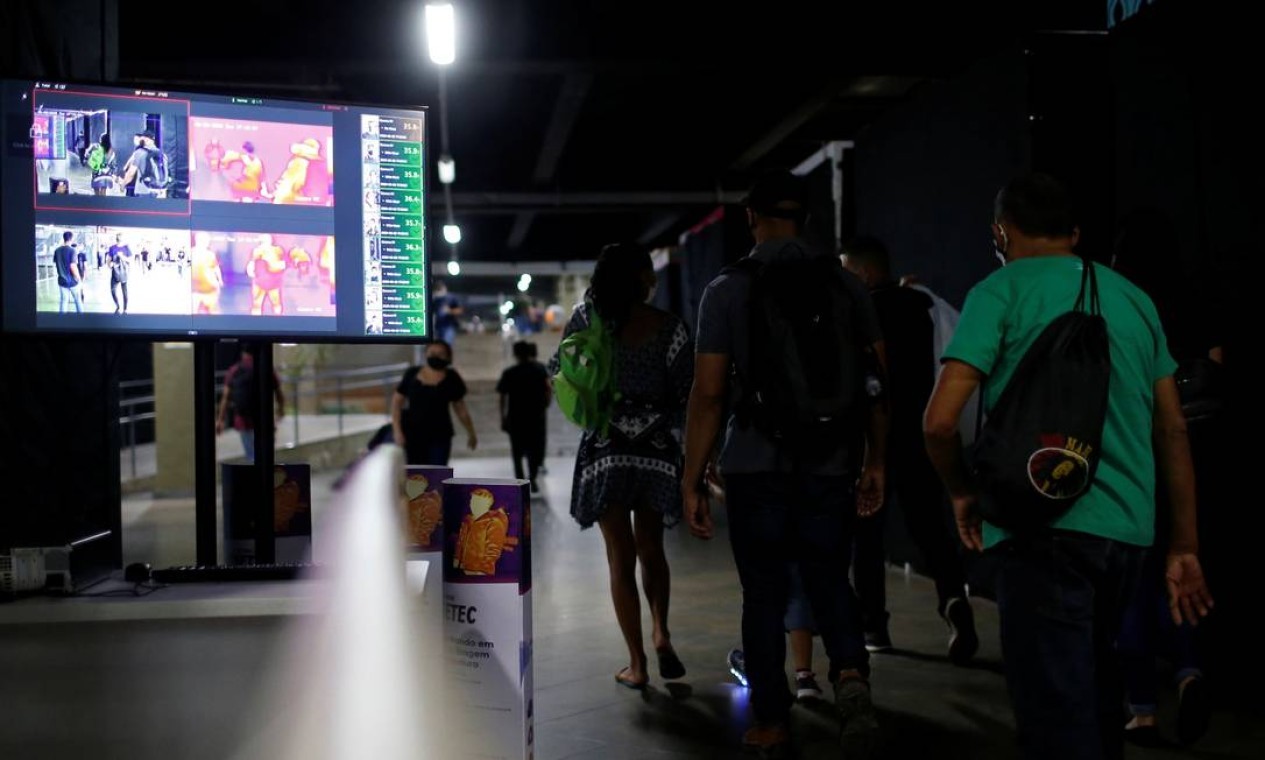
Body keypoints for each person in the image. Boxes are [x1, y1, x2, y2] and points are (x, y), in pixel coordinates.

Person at [923, 174, 1214, 760]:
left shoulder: (999, 291)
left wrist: (961, 492)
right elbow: (1173, 427)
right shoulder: (1133, 298)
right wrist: (1184, 545)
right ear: (1075, 234)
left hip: (1038, 530)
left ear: (1000, 232)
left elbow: (939, 421)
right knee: (1100, 687)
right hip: (1128, 534)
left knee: (1054, 708)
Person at [682, 170, 887, 755]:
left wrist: (692, 475)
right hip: (832, 460)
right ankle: (849, 674)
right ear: (807, 218)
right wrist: (877, 459)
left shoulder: (726, 288)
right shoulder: (847, 285)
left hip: (755, 462)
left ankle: (770, 719)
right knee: (829, 575)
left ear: (751, 217)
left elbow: (710, 392)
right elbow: (877, 382)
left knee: (764, 593)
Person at [548, 243, 693, 691]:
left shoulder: (588, 323)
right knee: (652, 547)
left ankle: (637, 663)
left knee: (619, 557)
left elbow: (559, 367)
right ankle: (661, 631)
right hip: (656, 448)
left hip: (606, 447)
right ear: (642, 279)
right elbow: (687, 389)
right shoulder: (669, 328)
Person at [1111, 208, 1222, 747]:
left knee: (1134, 577)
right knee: (1181, 568)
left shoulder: (1120, 301)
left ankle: (1142, 708)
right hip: (1194, 452)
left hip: (1134, 450)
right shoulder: (1194, 298)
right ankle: (1189, 668)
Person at [842, 236, 978, 660]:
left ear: (863, 273)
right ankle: (954, 599)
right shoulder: (920, 305)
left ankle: (874, 628)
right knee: (931, 530)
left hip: (874, 444)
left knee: (866, 536)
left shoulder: (857, 314)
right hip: (922, 436)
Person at [392, 340, 478, 466]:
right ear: (425, 354)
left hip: (440, 435)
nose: (436, 356)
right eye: (432, 353)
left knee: (437, 473)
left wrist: (471, 433)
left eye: (441, 353)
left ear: (448, 356)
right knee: (415, 475)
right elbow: (396, 403)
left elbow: (460, 409)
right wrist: (397, 430)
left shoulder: (452, 377)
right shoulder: (412, 374)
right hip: (412, 434)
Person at [216, 345, 285, 462]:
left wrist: (220, 420)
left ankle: (254, 475)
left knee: (251, 457)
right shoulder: (267, 367)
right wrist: (281, 410)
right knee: (266, 457)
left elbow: (226, 398)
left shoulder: (235, 370)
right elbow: (278, 392)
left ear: (243, 353)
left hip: (243, 421)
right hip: (264, 421)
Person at [497, 341, 551, 490]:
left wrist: (502, 417)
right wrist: (546, 404)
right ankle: (532, 478)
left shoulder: (509, 373)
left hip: (516, 417)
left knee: (517, 451)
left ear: (515, 354)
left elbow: (502, 397)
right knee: (534, 449)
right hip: (536, 417)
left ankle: (520, 480)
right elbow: (548, 388)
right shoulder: (539, 369)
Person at [248, 234, 287, 315]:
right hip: (261, 281)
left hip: (272, 281)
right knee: (257, 304)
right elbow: (251, 265)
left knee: (275, 303)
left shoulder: (278, 250)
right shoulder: (257, 250)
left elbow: (283, 264)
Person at [191, 232, 225, 314]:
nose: (207, 243)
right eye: (205, 240)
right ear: (197, 240)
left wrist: (219, 281)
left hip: (209, 290)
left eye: (207, 241)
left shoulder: (210, 255)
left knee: (213, 311)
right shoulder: (190, 253)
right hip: (195, 291)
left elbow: (216, 268)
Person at [118, 130, 159, 197]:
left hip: (143, 190)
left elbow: (131, 173)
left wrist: (123, 185)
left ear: (145, 139)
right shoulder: (161, 153)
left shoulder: (140, 152)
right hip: (158, 190)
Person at [54, 231, 82, 314]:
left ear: (64, 238)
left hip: (62, 281)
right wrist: (79, 278)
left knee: (63, 301)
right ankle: (82, 320)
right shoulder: (73, 250)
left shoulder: (57, 250)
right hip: (72, 281)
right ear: (72, 239)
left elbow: (57, 264)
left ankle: (61, 322)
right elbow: (72, 266)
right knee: (78, 300)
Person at [106, 233, 132, 314]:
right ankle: (117, 305)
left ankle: (125, 308)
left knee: (125, 292)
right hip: (115, 273)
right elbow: (109, 260)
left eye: (121, 237)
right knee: (113, 291)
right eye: (118, 237)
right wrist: (110, 265)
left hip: (124, 272)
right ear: (116, 238)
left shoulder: (126, 248)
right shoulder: (112, 248)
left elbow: (130, 260)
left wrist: (122, 257)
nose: (119, 239)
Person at [432, 281, 463, 345]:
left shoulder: (451, 298)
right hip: (438, 326)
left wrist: (450, 311)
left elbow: (460, 310)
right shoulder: (435, 299)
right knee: (439, 345)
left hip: (449, 326)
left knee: (446, 344)